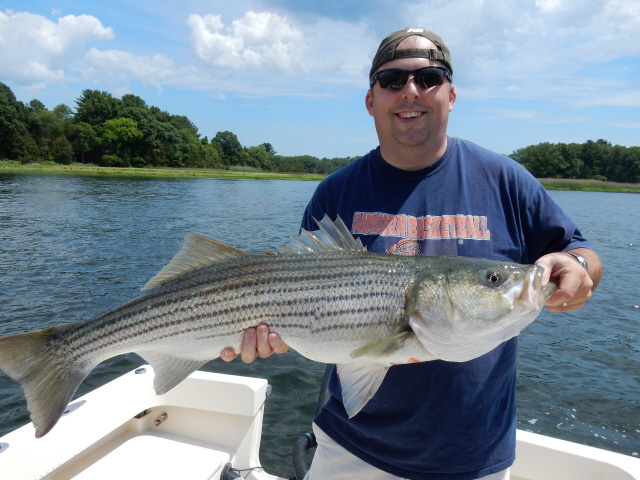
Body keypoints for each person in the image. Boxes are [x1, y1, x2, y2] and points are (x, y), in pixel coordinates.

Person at [221, 27, 602, 480]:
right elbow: (294, 296)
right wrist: (266, 334)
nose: (411, 91)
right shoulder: (335, 192)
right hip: (348, 449)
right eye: (392, 80)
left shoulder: (506, 180)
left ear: (451, 95)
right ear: (371, 100)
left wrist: (576, 267)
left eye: (430, 77)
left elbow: (580, 253)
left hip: (474, 457)